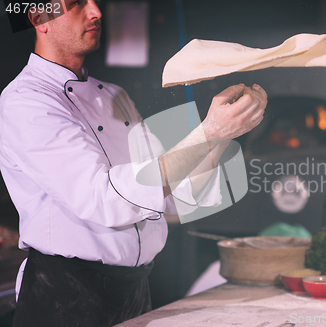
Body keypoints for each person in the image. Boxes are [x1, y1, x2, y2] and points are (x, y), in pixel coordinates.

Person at [0, 0, 267, 326]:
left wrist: (220, 135)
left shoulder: (116, 96)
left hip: (136, 291)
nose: (96, 12)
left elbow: (172, 195)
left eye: (95, 1)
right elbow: (102, 198)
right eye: (76, 4)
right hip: (65, 296)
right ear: (38, 17)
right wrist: (208, 130)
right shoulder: (26, 101)